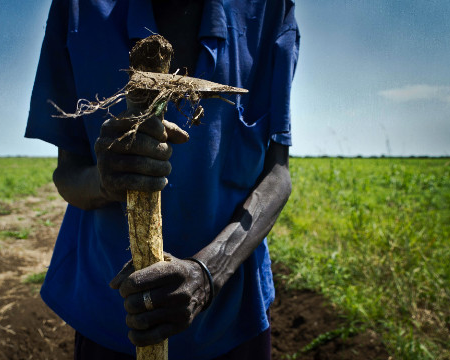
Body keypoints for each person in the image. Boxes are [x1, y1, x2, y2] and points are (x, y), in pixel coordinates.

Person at [25, 0, 300, 358]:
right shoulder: (78, 9)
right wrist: (105, 180)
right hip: (113, 319)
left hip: (230, 322)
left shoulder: (269, 9)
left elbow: (278, 174)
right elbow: (68, 175)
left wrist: (208, 273)